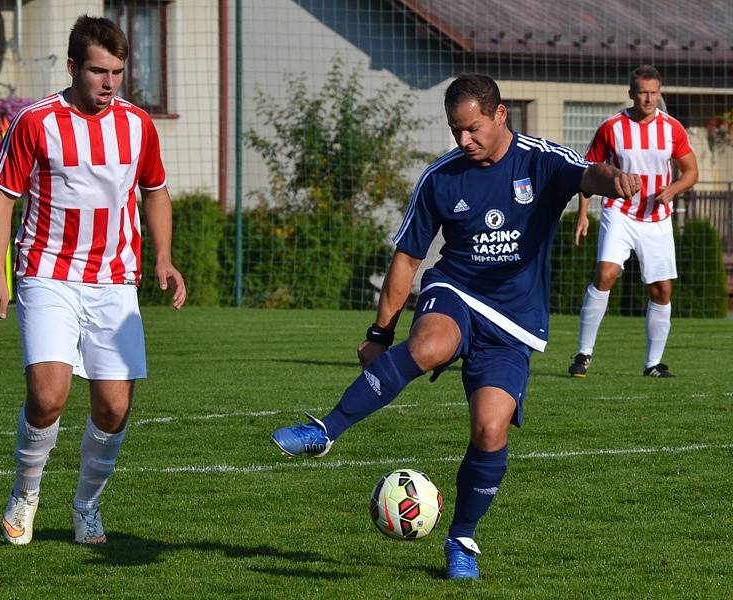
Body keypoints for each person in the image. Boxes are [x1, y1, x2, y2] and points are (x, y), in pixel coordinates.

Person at [270, 73, 641, 580]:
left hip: (513, 319)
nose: (463, 140)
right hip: (456, 292)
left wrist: (612, 177)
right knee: (430, 344)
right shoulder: (441, 177)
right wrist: (380, 335)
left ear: (500, 115)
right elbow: (407, 259)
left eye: (472, 129)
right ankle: (325, 431)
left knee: (490, 429)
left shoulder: (538, 159)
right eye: (454, 130)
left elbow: (588, 174)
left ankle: (462, 538)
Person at [0, 15, 186, 546]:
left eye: (117, 71)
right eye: (98, 71)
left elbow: (155, 191)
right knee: (48, 396)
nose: (109, 82)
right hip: (46, 271)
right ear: (73, 66)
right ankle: (25, 493)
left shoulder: (139, 125)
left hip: (115, 280)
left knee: (115, 406)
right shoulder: (35, 121)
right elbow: (2, 200)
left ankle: (86, 506)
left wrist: (163, 257)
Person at [568, 64, 698, 378]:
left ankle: (653, 364)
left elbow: (691, 172)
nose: (649, 99)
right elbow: (589, 171)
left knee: (661, 291)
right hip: (619, 211)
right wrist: (583, 213)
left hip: (657, 219)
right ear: (631, 94)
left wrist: (674, 189)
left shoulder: (673, 129)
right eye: (643, 92)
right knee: (606, 273)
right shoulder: (611, 127)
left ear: (660, 93)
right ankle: (583, 354)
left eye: (654, 93)